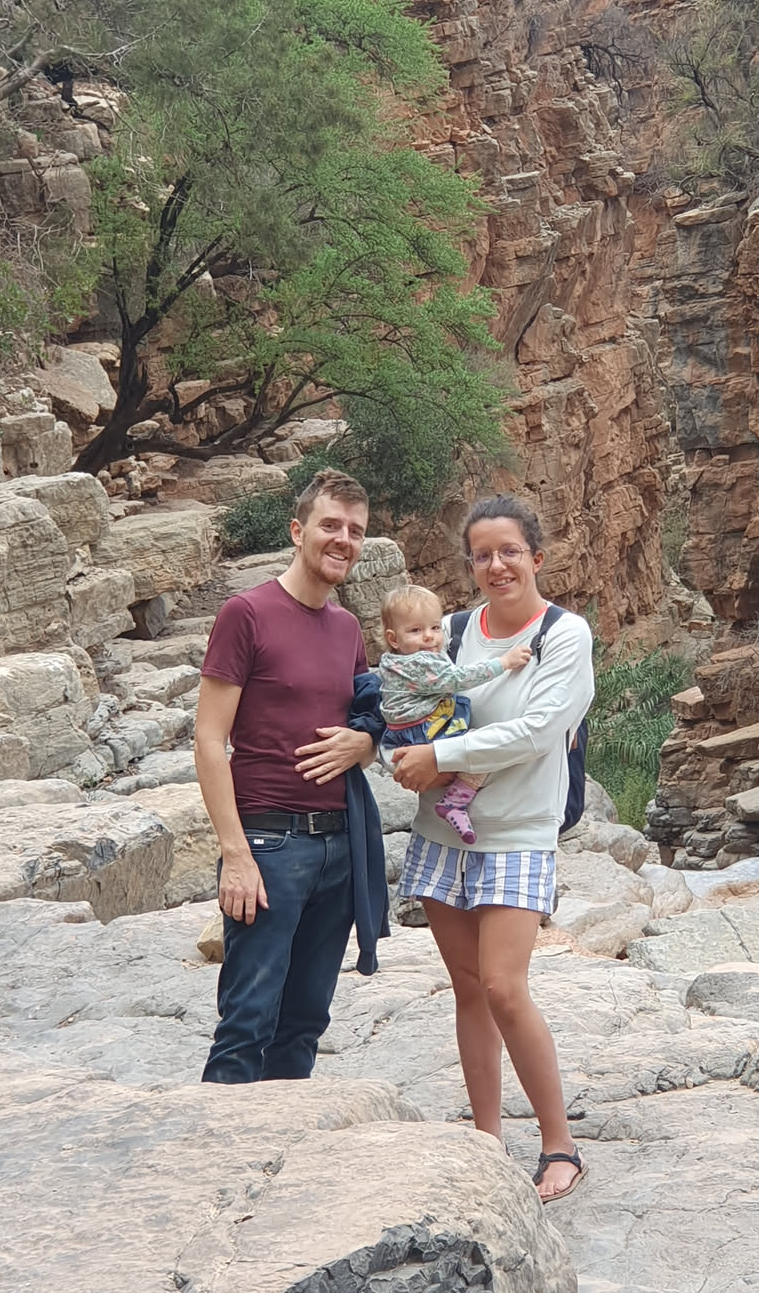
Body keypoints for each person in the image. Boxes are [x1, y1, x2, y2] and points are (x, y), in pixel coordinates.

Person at [390, 495, 594, 1202]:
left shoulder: (564, 635)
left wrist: (442, 755)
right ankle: (486, 1139)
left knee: (505, 986)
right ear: (470, 565)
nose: (497, 566)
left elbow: (538, 730)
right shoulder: (449, 632)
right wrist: (384, 747)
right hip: (441, 831)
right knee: (469, 987)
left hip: (517, 833)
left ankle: (559, 1144)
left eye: (510, 551)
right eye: (483, 555)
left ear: (536, 557)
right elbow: (403, 700)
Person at [193, 468, 388, 1084]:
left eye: (355, 531)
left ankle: (282, 1136)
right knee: (247, 1021)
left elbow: (365, 727)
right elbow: (209, 738)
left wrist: (366, 743)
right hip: (270, 845)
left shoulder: (347, 628)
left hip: (339, 847)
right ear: (298, 531)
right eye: (331, 525)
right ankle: (215, 1137)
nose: (343, 540)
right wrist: (236, 856)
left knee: (305, 1021)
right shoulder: (247, 613)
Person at [377, 582, 532, 844]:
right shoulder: (420, 663)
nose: (429, 637)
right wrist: (504, 662)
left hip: (403, 734)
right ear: (394, 639)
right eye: (415, 630)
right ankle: (455, 801)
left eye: (435, 627)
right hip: (425, 731)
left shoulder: (392, 662)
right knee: (483, 746)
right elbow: (458, 678)